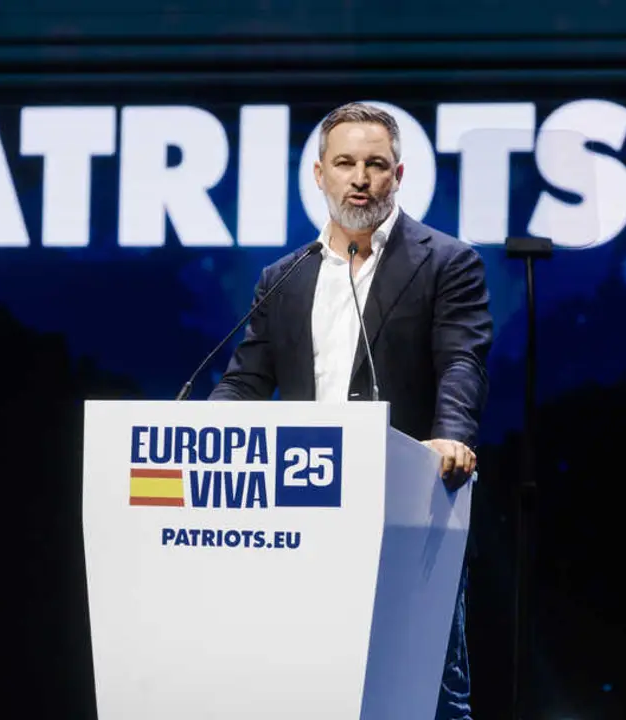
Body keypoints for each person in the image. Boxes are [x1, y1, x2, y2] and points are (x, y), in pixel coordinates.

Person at [208, 101, 493, 719]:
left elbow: (461, 363)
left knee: (430, 697)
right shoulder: (284, 278)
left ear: (398, 175)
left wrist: (449, 437)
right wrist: (197, 435)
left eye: (375, 164)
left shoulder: (446, 262)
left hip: (410, 508)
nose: (360, 178)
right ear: (319, 174)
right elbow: (246, 383)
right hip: (303, 519)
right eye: (345, 163)